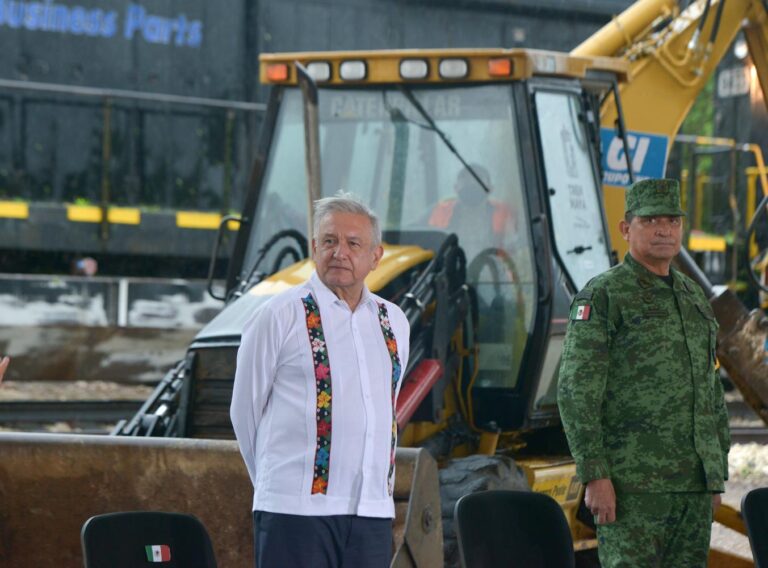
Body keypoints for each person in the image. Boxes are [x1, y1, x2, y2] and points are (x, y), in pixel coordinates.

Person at [230, 192, 410, 568]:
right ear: (314, 248)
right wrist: (277, 484)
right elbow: (244, 413)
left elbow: (384, 409)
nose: (339, 252)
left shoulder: (394, 322)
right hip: (295, 514)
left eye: (353, 243)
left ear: (376, 256)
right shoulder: (278, 315)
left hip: (371, 515)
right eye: (329, 241)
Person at [557, 178, 730, 567]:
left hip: (692, 488)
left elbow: (709, 389)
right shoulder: (603, 296)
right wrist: (595, 474)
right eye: (651, 220)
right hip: (631, 488)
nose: (664, 230)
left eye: (672, 220)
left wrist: (713, 470)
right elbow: (575, 390)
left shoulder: (691, 296)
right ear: (626, 228)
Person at [428, 164, 515, 262]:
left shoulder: (503, 213)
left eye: (477, 182)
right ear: (456, 188)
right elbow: (431, 245)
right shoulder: (441, 212)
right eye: (467, 182)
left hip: (493, 272)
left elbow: (513, 249)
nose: (472, 185)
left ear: (490, 188)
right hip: (452, 272)